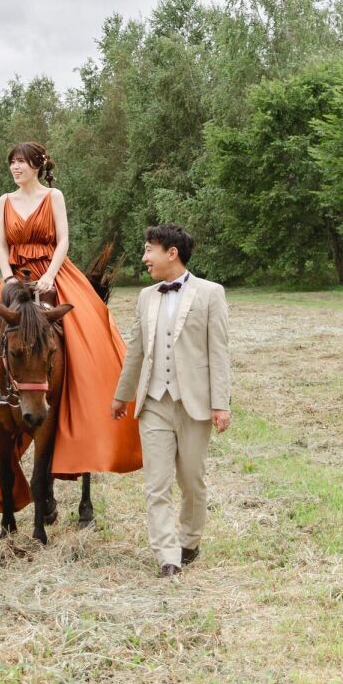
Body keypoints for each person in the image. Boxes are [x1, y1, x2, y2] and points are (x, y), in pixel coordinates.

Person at [0, 141, 142, 514]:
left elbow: (63, 240)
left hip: (53, 277)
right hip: (14, 278)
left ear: (37, 165)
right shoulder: (4, 201)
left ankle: (85, 396)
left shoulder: (54, 195)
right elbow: (2, 245)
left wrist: (50, 278)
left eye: (20, 162)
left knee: (87, 329)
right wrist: (7, 278)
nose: (14, 168)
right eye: (11, 163)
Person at [111, 224, 232, 578]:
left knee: (192, 480)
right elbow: (135, 350)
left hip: (194, 402)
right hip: (154, 403)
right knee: (156, 483)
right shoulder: (145, 296)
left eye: (149, 250)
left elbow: (219, 352)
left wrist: (220, 403)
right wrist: (122, 395)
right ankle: (167, 555)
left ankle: (190, 539)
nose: (144, 257)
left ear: (171, 253)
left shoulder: (211, 294)